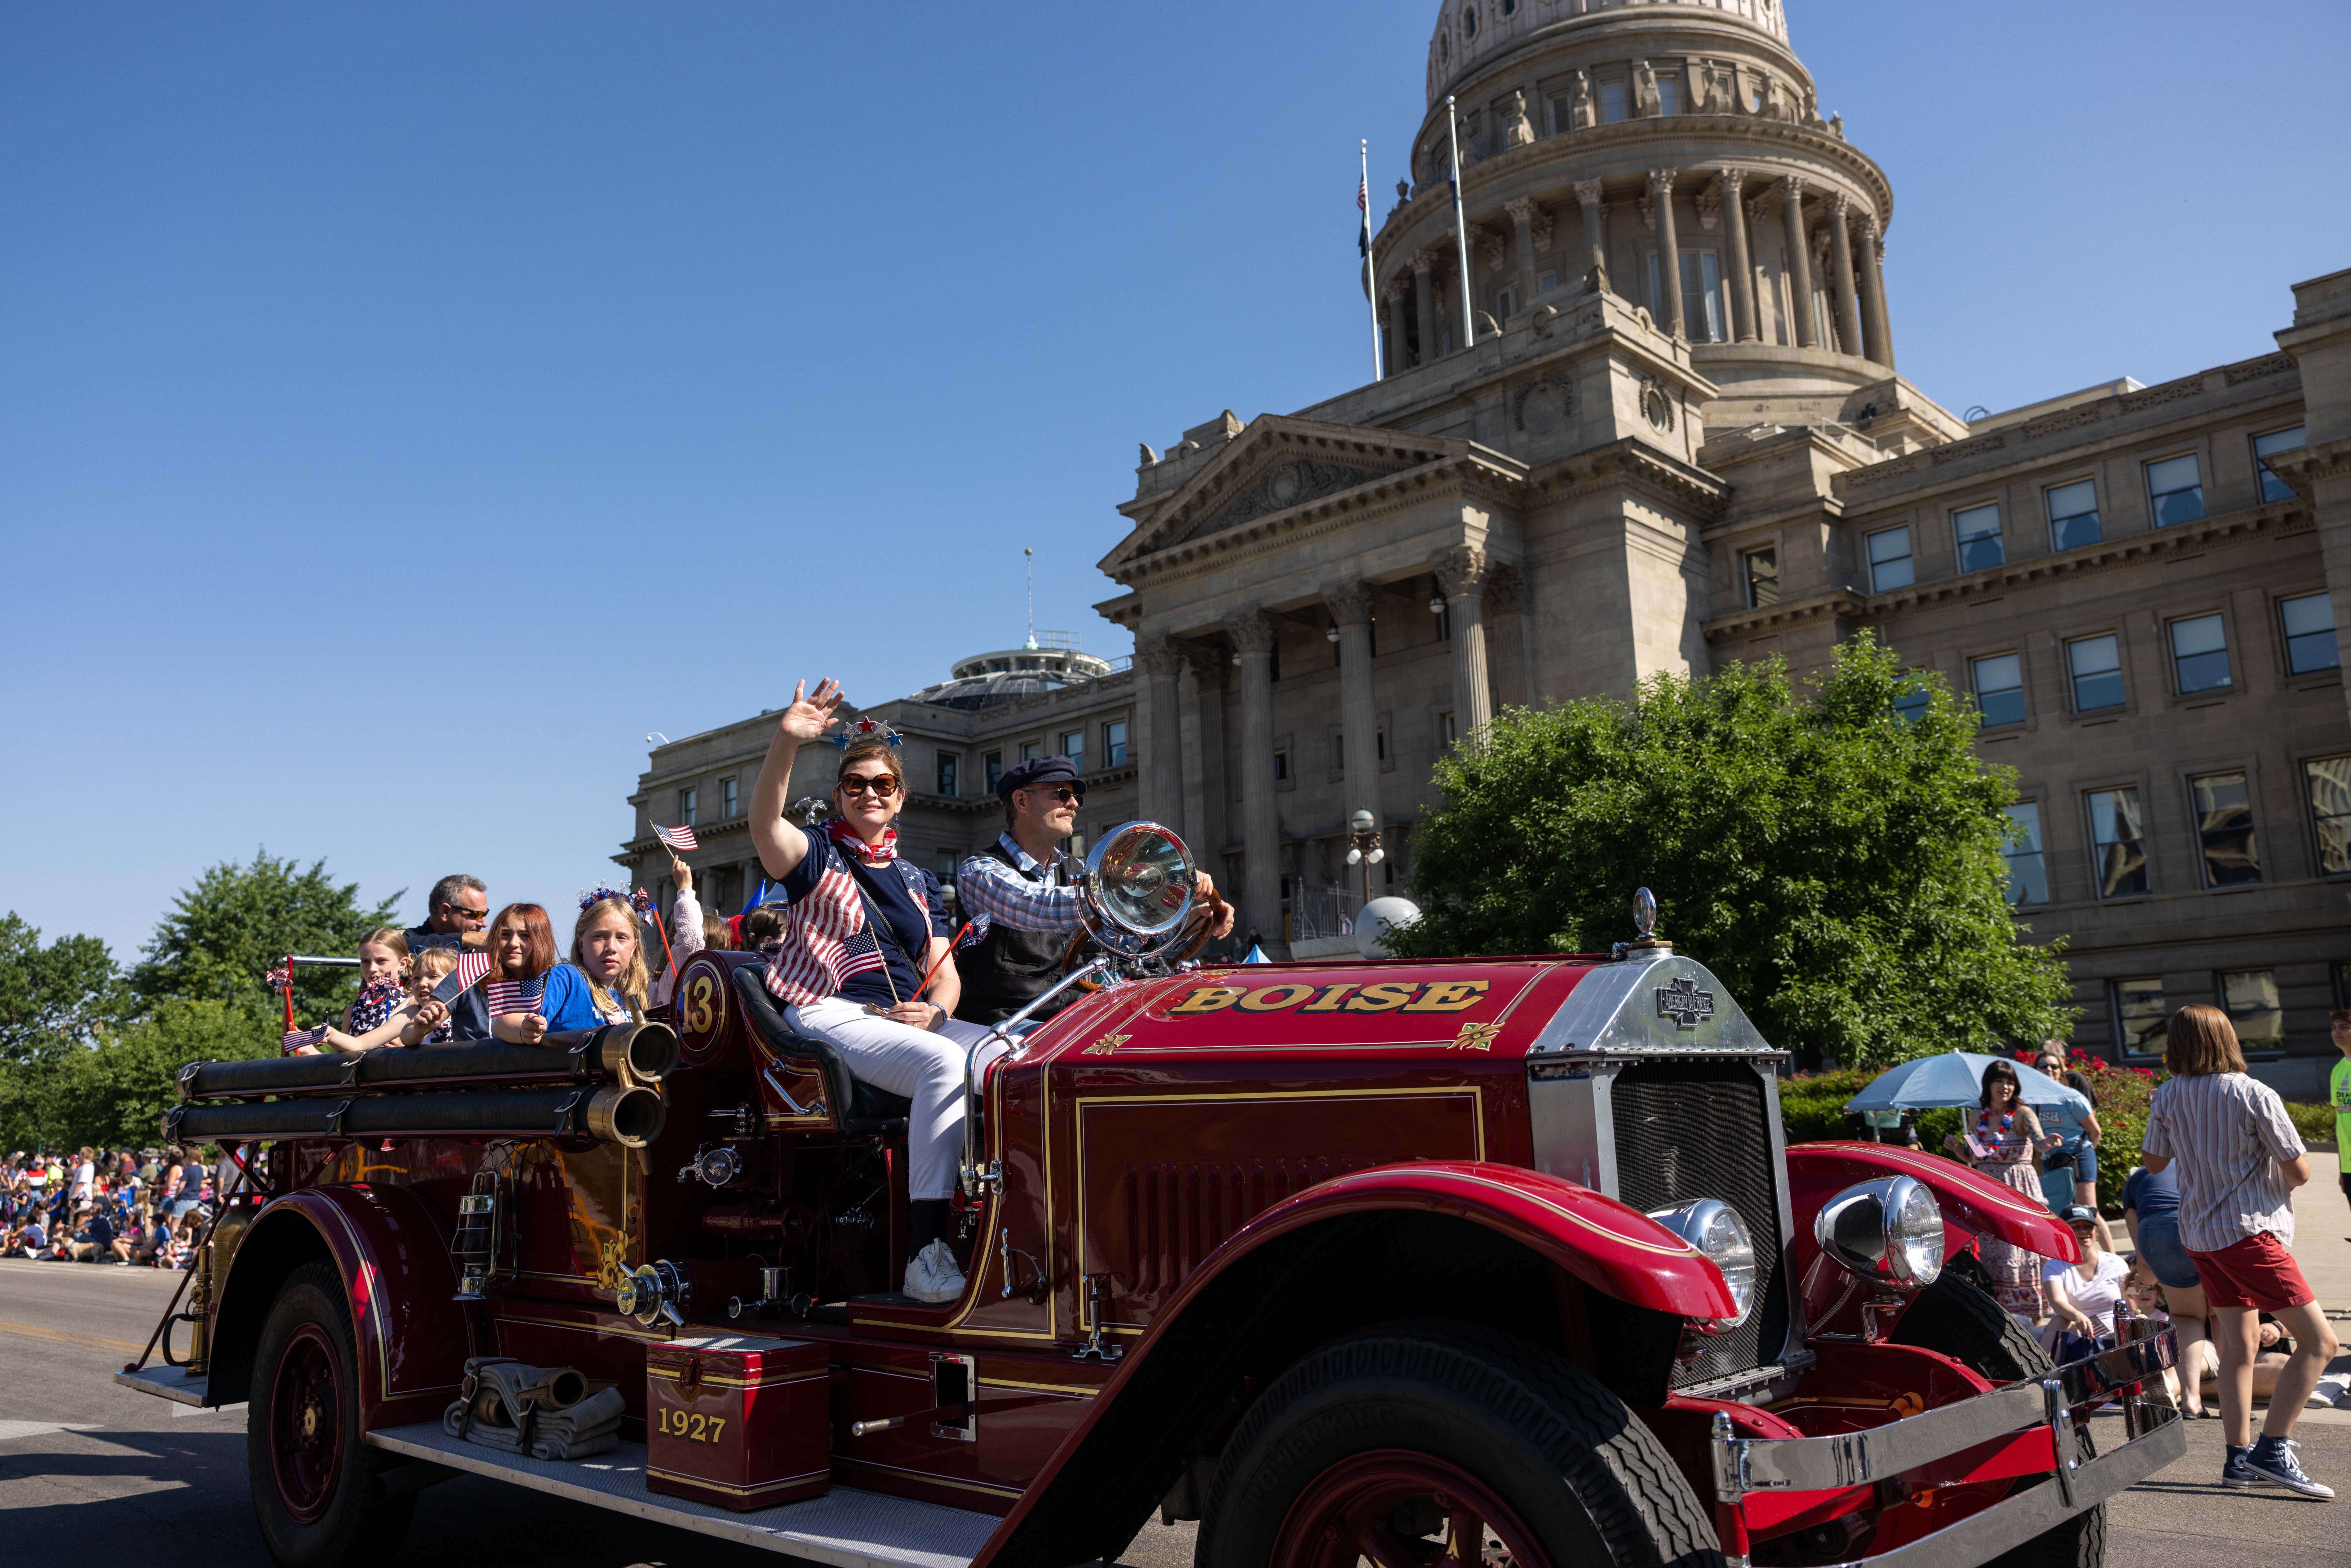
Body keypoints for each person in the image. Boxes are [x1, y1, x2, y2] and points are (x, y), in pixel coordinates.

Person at [748, 679, 998, 1304]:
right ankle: (924, 1250)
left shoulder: (916, 878)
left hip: (905, 1018)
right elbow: (762, 822)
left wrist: (937, 1008)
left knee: (1018, 1052)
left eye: (881, 784)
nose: (868, 793)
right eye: (854, 784)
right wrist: (786, 741)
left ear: (900, 798)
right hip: (827, 1010)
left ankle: (1006, 1218)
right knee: (945, 1063)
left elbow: (943, 968)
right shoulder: (816, 855)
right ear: (838, 794)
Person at [2142, 1003, 2341, 1497]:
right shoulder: (2253, 1092)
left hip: (2201, 1235)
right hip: (2250, 1233)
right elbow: (2299, 1170)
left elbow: (2152, 1162)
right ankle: (2272, 1449)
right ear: (2227, 1039)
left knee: (2238, 1346)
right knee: (2321, 1343)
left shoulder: (2166, 1094)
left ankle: (2237, 1458)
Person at [953, 755, 1234, 1026]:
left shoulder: (1079, 871)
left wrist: (1190, 915)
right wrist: (1146, 883)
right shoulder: (979, 871)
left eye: (1077, 797)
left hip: (1072, 1015)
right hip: (1002, 1023)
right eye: (1061, 793)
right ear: (1022, 801)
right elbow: (1038, 906)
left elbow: (1125, 943)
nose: (1073, 803)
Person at [1943, 1058, 2060, 1319]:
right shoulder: (1977, 1117)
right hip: (1989, 1188)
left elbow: (2039, 1144)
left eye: (2010, 1082)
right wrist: (1956, 1149)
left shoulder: (2022, 1114)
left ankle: (2033, 1311)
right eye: (2000, 1081)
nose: (2005, 1087)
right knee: (1995, 1243)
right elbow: (1976, 1157)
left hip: (2019, 1186)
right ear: (1989, 1085)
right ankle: (2000, 1308)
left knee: (2020, 1245)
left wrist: (2048, 1143)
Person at [2123, 1161, 2212, 1417]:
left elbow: (2142, 1253)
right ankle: (2234, 1401)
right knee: (2223, 1317)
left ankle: (2191, 1400)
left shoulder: (2138, 1179)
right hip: (2205, 1225)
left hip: (2159, 1229)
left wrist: (2148, 1284)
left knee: (2186, 1316)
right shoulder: (2202, 1164)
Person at [2031, 1041, 2113, 1248]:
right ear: (2036, 1071)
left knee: (2089, 1210)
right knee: (2058, 1209)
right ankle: (2070, 1257)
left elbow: (2095, 1132)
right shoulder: (2033, 1102)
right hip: (2051, 1159)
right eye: (2043, 1066)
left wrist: (2084, 1153)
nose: (2049, 1070)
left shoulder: (2072, 1098)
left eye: (2054, 1066)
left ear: (2061, 1070)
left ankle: (2112, 1259)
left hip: (2079, 1155)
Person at [404, 874, 495, 1040]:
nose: (484, 924)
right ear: (445, 911)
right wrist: (464, 940)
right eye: (476, 915)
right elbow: (388, 946)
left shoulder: (480, 954)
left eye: (486, 914)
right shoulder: (410, 938)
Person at [2042, 1205, 2129, 1362]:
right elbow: (2057, 1302)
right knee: (2060, 1320)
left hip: (2114, 1331)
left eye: (2088, 1226)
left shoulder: (2115, 1263)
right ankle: (2042, 1373)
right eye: (2076, 1227)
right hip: (2075, 1331)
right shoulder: (2055, 1266)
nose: (2084, 1231)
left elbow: (2130, 1303)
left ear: (2096, 1232)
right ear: (2065, 1232)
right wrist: (2078, 1316)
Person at [2330, 1008, 2351, 1229]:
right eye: (2335, 1028)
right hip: (2349, 1166)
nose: (2337, 1033)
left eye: (2344, 1027)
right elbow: (2341, 1123)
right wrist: (2342, 1170)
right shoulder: (2337, 1070)